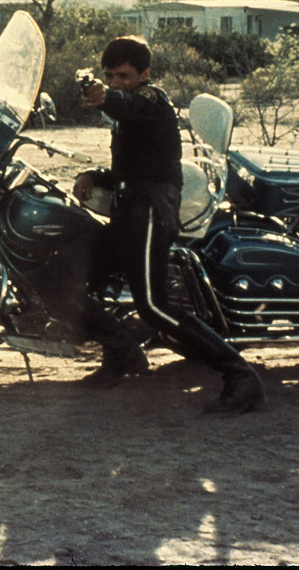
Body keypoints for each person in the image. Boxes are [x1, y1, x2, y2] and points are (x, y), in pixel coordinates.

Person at [70, 35, 266, 415]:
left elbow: (130, 104)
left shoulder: (152, 100)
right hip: (128, 211)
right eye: (109, 76)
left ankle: (241, 376)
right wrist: (94, 175)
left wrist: (106, 96)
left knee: (154, 307)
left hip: (149, 212)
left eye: (124, 75)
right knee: (64, 275)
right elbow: (132, 167)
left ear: (145, 74)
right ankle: (121, 352)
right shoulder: (127, 112)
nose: (116, 83)